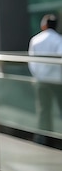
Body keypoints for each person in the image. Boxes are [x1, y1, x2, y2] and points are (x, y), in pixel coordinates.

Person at [28, 14, 62, 145]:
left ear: (44, 25)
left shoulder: (35, 40)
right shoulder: (58, 39)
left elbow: (32, 62)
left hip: (41, 81)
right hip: (57, 81)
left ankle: (42, 140)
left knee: (43, 111)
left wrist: (39, 74)